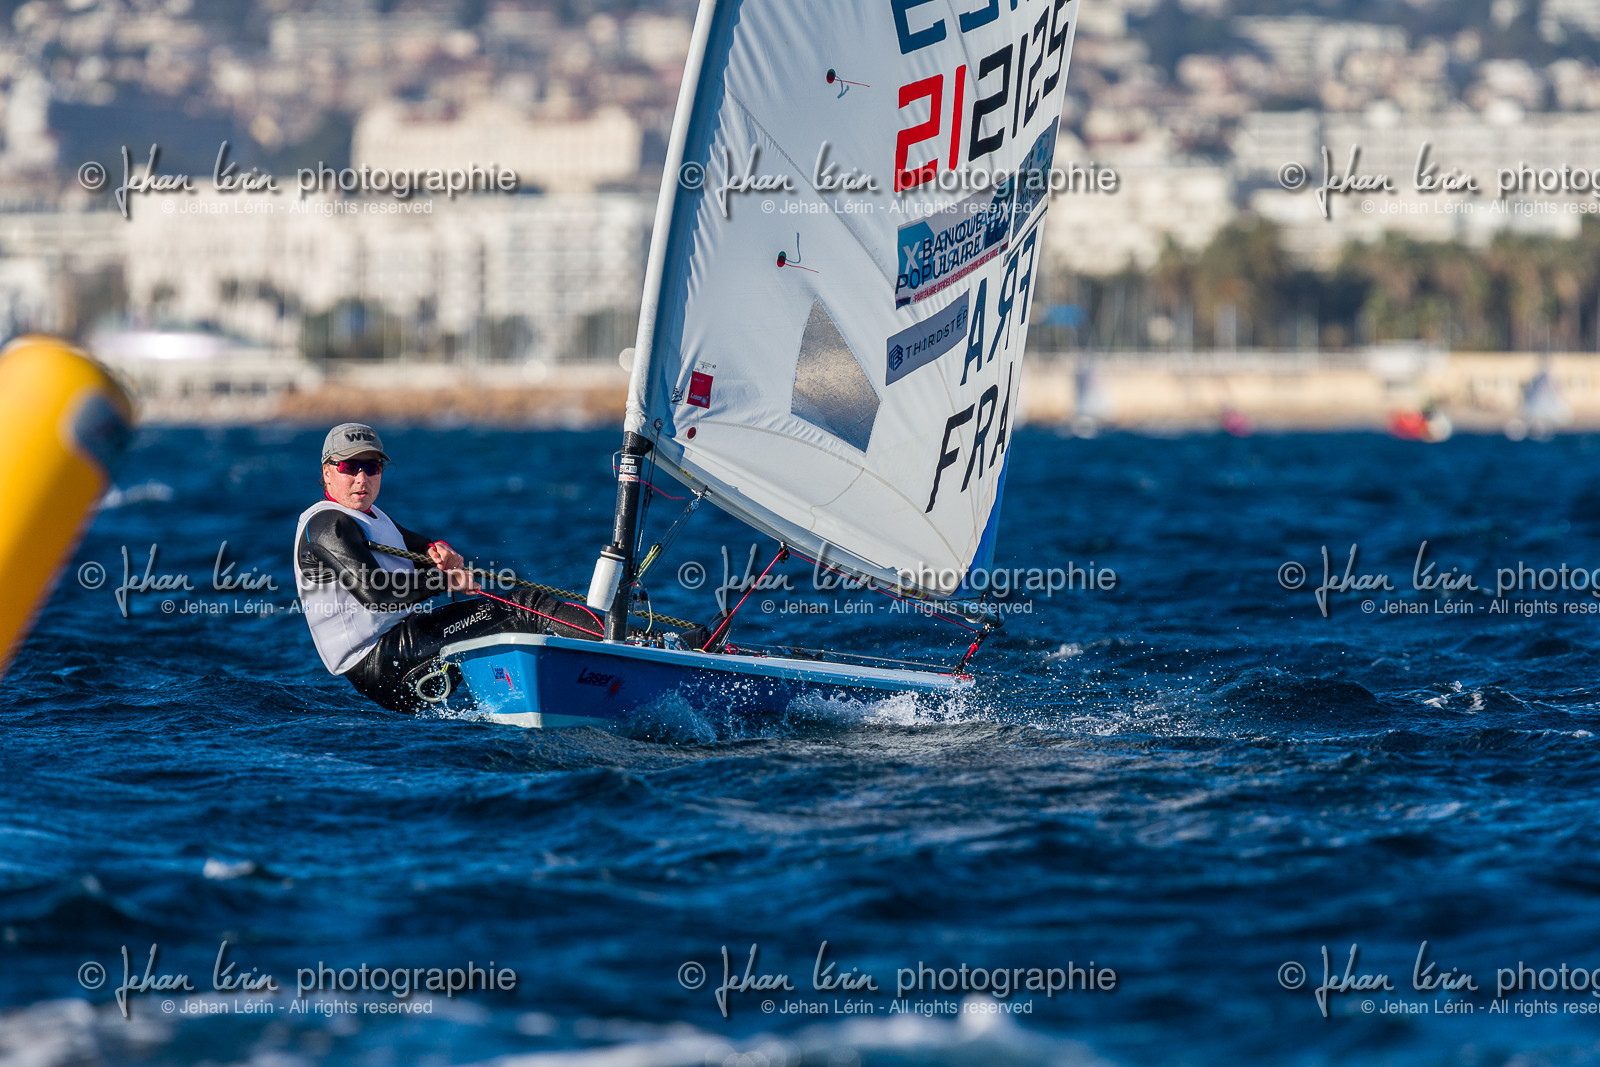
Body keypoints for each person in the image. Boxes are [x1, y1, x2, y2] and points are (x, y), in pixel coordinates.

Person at [293, 423, 604, 710]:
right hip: (383, 662)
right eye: (350, 467)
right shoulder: (327, 524)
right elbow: (379, 596)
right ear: (328, 471)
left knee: (514, 620)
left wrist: (438, 551)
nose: (362, 479)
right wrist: (444, 580)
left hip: (401, 648)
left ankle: (580, 688)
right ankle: (625, 646)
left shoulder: (368, 515)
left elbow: (413, 542)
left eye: (372, 467)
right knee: (525, 609)